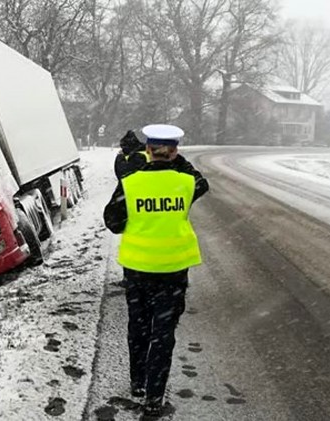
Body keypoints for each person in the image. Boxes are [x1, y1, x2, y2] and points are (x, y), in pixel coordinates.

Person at [103, 124, 209, 420]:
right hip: (173, 270)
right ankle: (154, 396)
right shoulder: (186, 182)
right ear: (175, 152)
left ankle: (137, 382)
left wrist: (139, 220)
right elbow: (202, 182)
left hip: (138, 269)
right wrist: (176, 161)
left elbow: (112, 221)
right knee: (163, 334)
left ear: (147, 150)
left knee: (139, 327)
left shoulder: (130, 183)